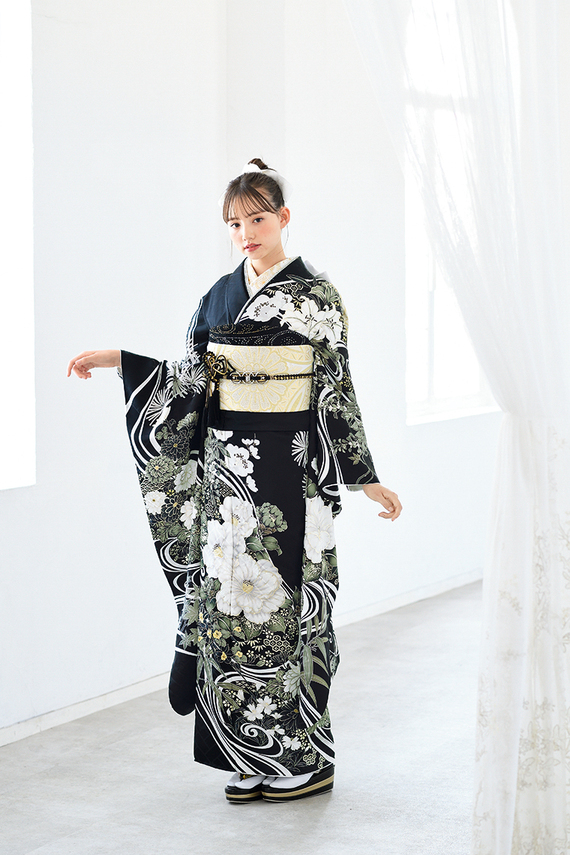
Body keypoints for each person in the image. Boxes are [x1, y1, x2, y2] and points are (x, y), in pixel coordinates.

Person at [68, 159, 402, 804]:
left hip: (291, 470)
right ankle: (247, 751)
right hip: (228, 477)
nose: (246, 233)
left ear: (283, 217)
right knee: (230, 609)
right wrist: (121, 361)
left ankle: (305, 758)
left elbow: (335, 385)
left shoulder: (317, 296)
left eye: (257, 219)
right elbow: (192, 375)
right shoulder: (219, 294)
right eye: (234, 224)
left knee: (289, 611)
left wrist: (364, 477)